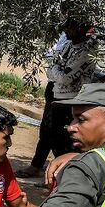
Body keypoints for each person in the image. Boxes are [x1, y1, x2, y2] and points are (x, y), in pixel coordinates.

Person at [18, 20, 96, 177]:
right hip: (56, 94)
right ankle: (41, 167)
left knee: (65, 138)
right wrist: (56, 71)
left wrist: (56, 71)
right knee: (48, 131)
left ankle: (65, 173)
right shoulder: (68, 45)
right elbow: (53, 66)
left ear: (80, 28)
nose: (65, 30)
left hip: (72, 100)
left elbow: (65, 78)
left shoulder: (87, 51)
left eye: (70, 26)